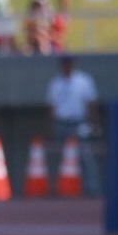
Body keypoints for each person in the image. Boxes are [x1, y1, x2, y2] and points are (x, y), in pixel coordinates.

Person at [47, 54, 99, 195]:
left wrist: (92, 123)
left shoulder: (83, 81)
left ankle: (92, 188)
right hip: (61, 122)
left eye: (68, 63)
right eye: (64, 64)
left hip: (79, 122)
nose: (66, 66)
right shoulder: (55, 83)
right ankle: (58, 187)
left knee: (85, 155)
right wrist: (51, 125)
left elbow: (90, 102)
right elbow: (52, 106)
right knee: (59, 155)